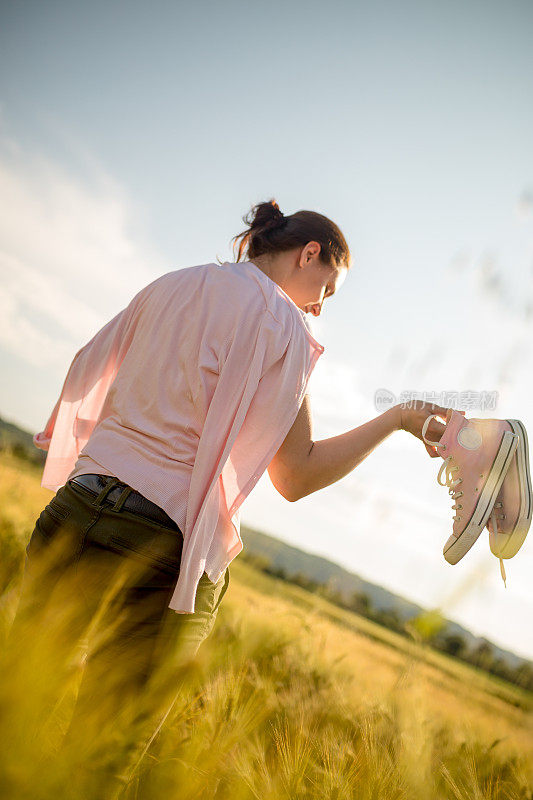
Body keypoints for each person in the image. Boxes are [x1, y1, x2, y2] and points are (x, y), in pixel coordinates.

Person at [10, 198, 449, 757]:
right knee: (100, 754)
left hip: (77, 505)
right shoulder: (281, 322)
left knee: (16, 710)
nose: (318, 309)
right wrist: (398, 418)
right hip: (160, 539)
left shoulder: (170, 284)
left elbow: (85, 362)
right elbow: (296, 475)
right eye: (327, 290)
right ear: (309, 254)